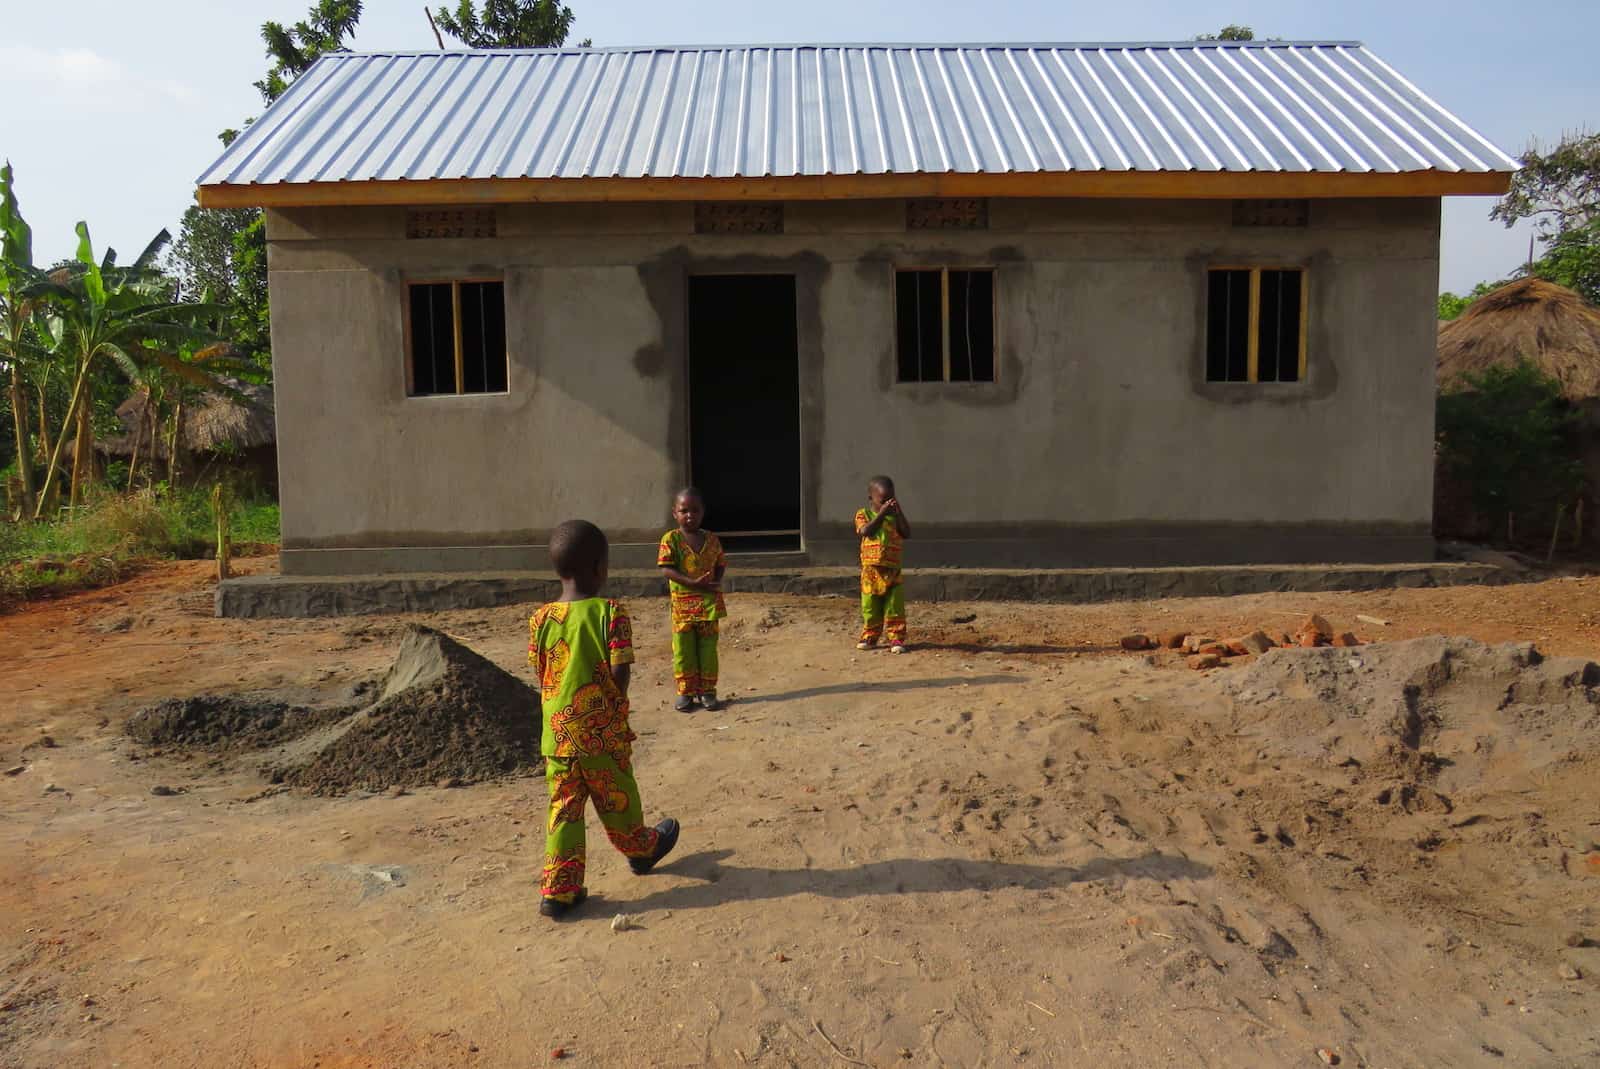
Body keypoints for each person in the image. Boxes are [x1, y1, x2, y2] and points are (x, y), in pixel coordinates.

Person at [529, 519, 679, 919]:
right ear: (600, 568)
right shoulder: (611, 612)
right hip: (600, 735)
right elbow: (620, 669)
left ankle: (559, 890)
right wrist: (613, 707)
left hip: (557, 739)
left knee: (564, 809)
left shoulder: (540, 619)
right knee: (617, 799)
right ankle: (642, 850)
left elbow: (542, 672)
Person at [657, 487, 728, 712]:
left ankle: (708, 692)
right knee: (683, 651)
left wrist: (716, 581)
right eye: (684, 510)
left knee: (708, 651)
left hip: (708, 607)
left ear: (702, 512)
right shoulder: (671, 539)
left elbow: (720, 563)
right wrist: (692, 583)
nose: (690, 515)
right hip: (683, 609)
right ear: (674, 513)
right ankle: (685, 693)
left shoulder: (712, 539)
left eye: (695, 510)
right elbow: (667, 569)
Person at [855, 475, 911, 653]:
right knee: (870, 606)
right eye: (883, 499)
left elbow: (906, 533)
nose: (888, 503)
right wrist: (881, 514)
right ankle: (870, 636)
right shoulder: (863, 514)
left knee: (895, 606)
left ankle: (896, 639)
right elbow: (866, 531)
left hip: (892, 570)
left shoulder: (894, 518)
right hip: (871, 571)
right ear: (871, 498)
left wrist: (899, 512)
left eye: (891, 499)